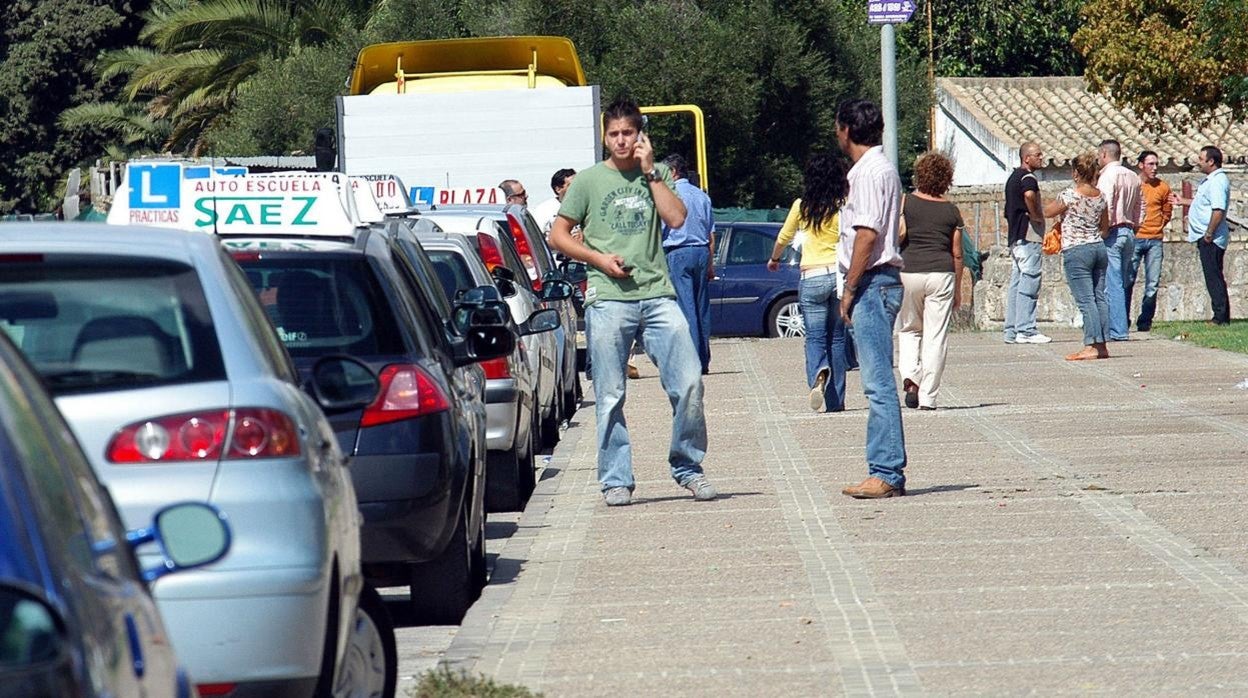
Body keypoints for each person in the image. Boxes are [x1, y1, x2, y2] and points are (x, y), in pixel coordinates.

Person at [547, 96, 716, 507]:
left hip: (658, 294)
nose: (621, 141)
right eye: (614, 134)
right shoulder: (587, 181)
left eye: (628, 133)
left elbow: (677, 220)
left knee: (690, 381)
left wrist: (651, 173)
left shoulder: (655, 174)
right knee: (609, 393)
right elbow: (558, 234)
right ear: (605, 137)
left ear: (641, 135)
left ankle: (688, 467)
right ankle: (615, 479)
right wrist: (599, 259)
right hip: (608, 298)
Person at [835, 98, 908, 500]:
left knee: (877, 381)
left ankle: (886, 470)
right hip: (881, 280)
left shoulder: (867, 173)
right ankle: (885, 466)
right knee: (877, 379)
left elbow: (866, 235)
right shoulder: (881, 169)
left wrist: (849, 287)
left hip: (872, 281)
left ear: (846, 129)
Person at [767, 152, 850, 413]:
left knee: (814, 336)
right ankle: (836, 401)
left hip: (811, 276)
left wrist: (774, 259)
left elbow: (784, 236)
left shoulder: (802, 206)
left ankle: (818, 372)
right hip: (837, 276)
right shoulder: (843, 204)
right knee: (837, 337)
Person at [897, 152, 965, 410]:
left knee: (908, 329)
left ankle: (910, 377)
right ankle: (928, 397)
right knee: (936, 337)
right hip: (941, 274)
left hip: (909, 272)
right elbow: (957, 252)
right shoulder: (951, 211)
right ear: (946, 178)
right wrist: (958, 288)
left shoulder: (905, 202)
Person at [1045, 152, 1110, 361]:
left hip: (1076, 249)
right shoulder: (1101, 197)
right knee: (1099, 296)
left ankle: (1091, 344)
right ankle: (1102, 344)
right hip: (1098, 247)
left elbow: (1047, 212)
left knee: (1086, 300)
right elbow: (1105, 228)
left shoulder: (1069, 195)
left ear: (1075, 173)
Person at [661, 153, 715, 375]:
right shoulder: (702, 196)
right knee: (702, 307)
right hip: (701, 251)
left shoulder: (669, 195)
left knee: (686, 308)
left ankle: (690, 360)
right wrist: (710, 263)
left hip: (678, 252)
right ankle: (703, 359)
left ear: (673, 172)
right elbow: (711, 233)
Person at [1170, 145, 1231, 325]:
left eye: (1201, 159)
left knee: (1214, 277)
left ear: (1211, 161)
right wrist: (1183, 201)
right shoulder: (1210, 181)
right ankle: (1220, 315)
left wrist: (1209, 232)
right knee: (1212, 276)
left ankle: (1220, 317)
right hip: (1206, 236)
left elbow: (1218, 209)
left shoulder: (1218, 181)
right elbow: (1203, 204)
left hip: (1211, 238)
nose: (1198, 162)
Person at [1002, 142, 1052, 344]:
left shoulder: (1012, 178)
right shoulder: (1027, 177)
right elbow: (1029, 195)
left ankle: (1011, 329)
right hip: (1028, 234)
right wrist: (1037, 215)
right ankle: (1026, 329)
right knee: (1030, 280)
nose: (1042, 158)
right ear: (1027, 158)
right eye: (1038, 155)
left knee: (1017, 281)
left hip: (1015, 237)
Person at [1096, 139, 1142, 341]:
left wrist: (1102, 229)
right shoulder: (1133, 176)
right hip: (1129, 231)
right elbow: (1141, 206)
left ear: (1104, 154)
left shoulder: (1107, 176)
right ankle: (1118, 326)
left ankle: (1116, 330)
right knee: (1121, 281)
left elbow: (1106, 205)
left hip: (1113, 232)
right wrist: (1136, 225)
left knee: (1111, 283)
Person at [1129, 150, 1172, 332]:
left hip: (1155, 239)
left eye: (1156, 164)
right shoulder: (1133, 185)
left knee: (1152, 283)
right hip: (1136, 238)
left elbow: (1167, 210)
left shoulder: (1163, 187)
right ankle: (1122, 318)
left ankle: (1145, 320)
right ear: (1141, 165)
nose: (1154, 168)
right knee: (1128, 279)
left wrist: (1161, 223)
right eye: (1150, 164)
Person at [532, 168, 577, 235]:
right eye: (571, 186)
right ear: (558, 189)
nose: (577, 189)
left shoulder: (587, 205)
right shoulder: (544, 210)